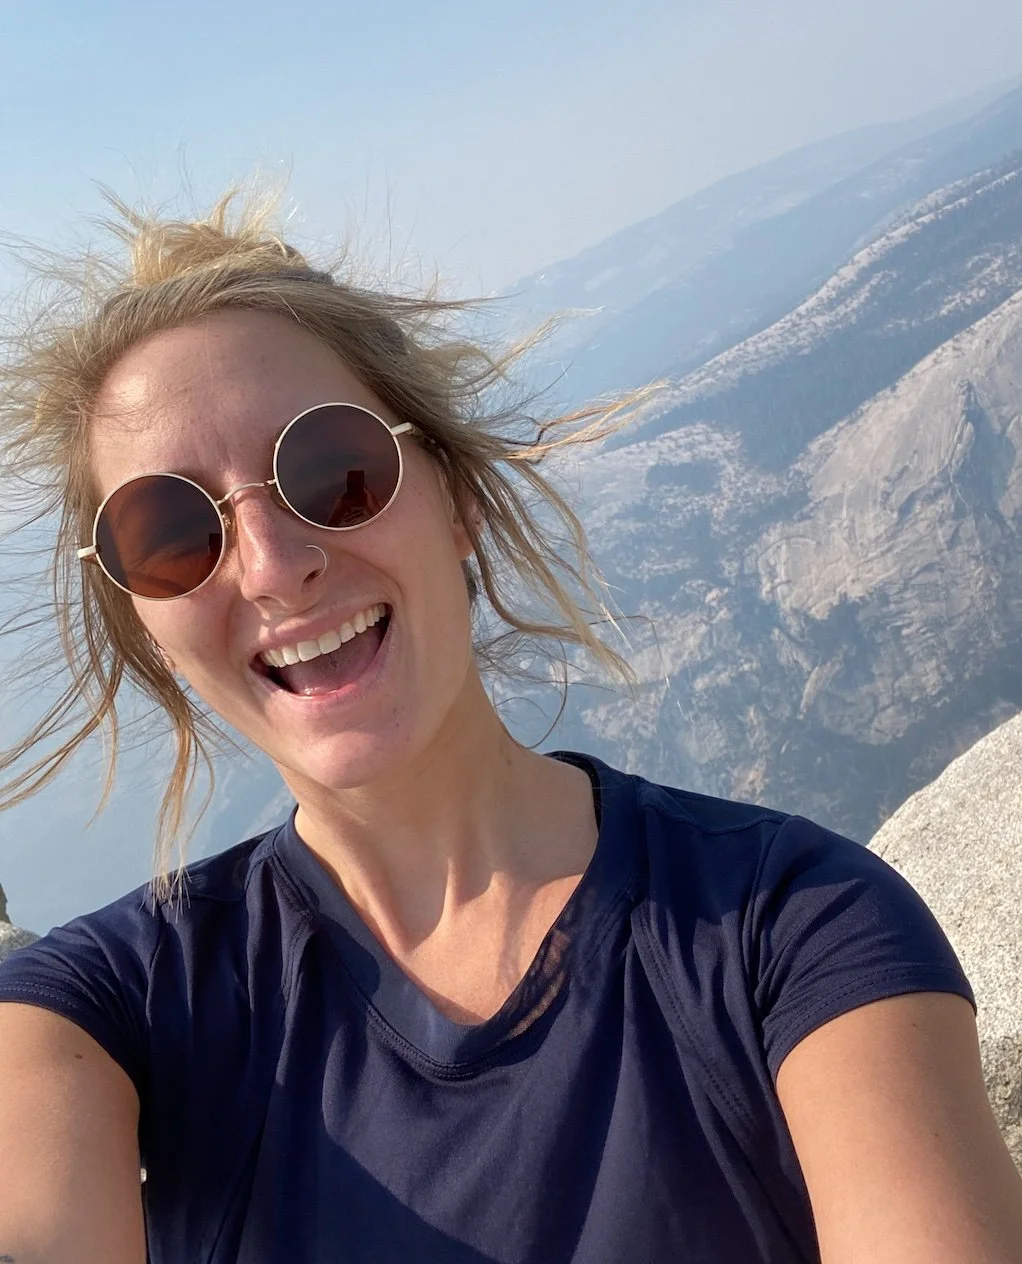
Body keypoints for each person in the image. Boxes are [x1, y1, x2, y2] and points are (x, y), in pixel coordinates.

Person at [0, 192, 1019, 1264]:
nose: (271, 564)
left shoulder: (797, 932)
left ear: (457, 500)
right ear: (146, 623)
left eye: (330, 471)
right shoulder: (95, 1015)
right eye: (171, 534)